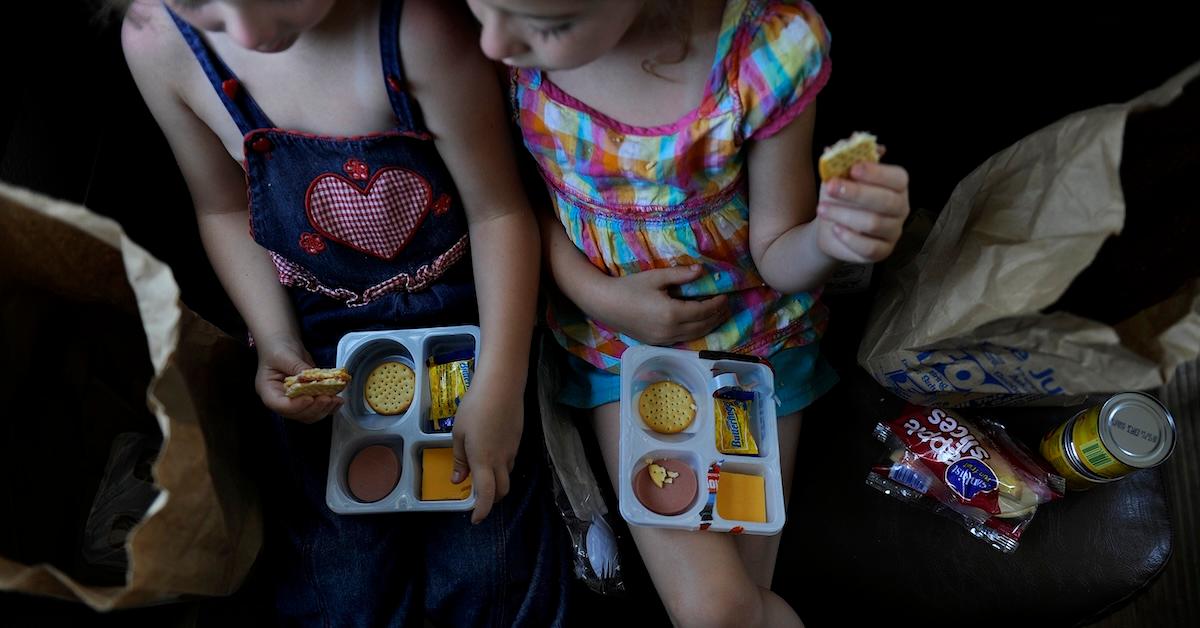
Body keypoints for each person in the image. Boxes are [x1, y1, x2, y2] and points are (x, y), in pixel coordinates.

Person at [117, 0, 567, 624]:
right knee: (338, 583)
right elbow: (221, 208)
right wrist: (274, 339)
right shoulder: (155, 39)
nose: (247, 31)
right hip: (316, 324)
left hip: (469, 317)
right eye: (201, 5)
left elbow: (500, 212)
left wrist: (500, 385)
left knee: (487, 571)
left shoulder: (418, 30)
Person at [466, 0, 910, 625]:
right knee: (718, 608)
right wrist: (596, 294)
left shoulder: (764, 55)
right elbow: (515, 203)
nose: (489, 42)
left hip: (756, 343)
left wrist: (832, 239)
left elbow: (780, 253)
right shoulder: (509, 47)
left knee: (725, 610)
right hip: (618, 347)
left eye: (550, 25)